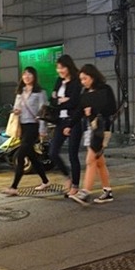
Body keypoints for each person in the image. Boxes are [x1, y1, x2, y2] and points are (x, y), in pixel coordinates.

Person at [65, 64, 117, 206]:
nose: (83, 82)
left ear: (93, 76)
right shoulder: (85, 93)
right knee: (99, 162)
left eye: (85, 78)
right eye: (81, 79)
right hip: (89, 129)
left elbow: (112, 108)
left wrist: (93, 110)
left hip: (101, 129)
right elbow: (79, 111)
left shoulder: (105, 90)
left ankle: (85, 192)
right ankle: (107, 191)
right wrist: (69, 125)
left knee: (90, 160)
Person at [1, 67, 51, 196]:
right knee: (32, 157)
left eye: (29, 74)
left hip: (33, 127)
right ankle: (45, 181)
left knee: (21, 154)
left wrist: (42, 130)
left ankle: (14, 187)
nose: (27, 77)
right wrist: (16, 111)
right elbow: (16, 107)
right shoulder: (20, 92)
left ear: (34, 76)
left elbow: (43, 113)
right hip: (22, 127)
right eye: (25, 74)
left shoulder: (40, 93)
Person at [47, 54, 83, 196]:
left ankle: (75, 185)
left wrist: (61, 101)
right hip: (61, 121)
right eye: (58, 68)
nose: (60, 71)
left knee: (72, 155)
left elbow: (75, 102)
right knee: (52, 152)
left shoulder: (76, 82)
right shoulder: (58, 81)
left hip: (73, 121)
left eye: (62, 68)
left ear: (69, 67)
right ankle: (67, 176)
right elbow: (52, 101)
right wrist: (62, 101)